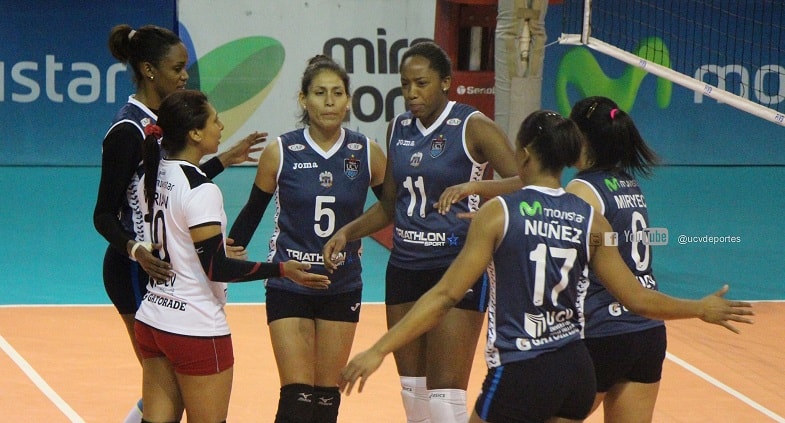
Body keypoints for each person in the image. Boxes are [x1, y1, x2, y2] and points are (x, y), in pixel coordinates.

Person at [338, 110, 754, 423]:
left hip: (521, 369)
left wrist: (379, 349)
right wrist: (699, 308)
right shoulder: (592, 220)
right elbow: (637, 298)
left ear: (523, 155)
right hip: (575, 370)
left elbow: (446, 295)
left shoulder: (498, 214)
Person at [323, 41, 518, 423]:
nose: (411, 93)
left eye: (421, 83)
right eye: (405, 84)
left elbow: (526, 182)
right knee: (414, 395)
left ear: (446, 82)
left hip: (456, 265)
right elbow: (389, 205)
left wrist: (476, 188)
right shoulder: (398, 128)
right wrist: (348, 232)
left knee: (444, 397)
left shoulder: (473, 125)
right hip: (405, 268)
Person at [93, 24, 265, 422]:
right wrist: (137, 250)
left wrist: (224, 160)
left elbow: (172, 185)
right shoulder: (127, 131)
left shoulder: (164, 119)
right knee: (169, 391)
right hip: (135, 270)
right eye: (177, 68)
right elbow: (103, 214)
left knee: (168, 394)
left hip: (163, 266)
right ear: (149, 70)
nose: (185, 75)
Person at [135, 89, 329, 423]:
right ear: (195, 133)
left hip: (154, 319)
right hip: (195, 327)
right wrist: (283, 270)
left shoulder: (153, 175)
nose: (221, 127)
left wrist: (225, 160)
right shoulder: (202, 191)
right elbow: (216, 267)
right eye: (215, 120)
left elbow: (182, 223)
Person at [227, 55, 385, 423]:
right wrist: (221, 256)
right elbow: (251, 212)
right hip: (289, 283)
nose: (329, 102)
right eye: (319, 93)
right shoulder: (281, 152)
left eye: (337, 93)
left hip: (342, 284)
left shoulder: (366, 152)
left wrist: (350, 233)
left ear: (348, 100)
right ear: (303, 99)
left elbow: (392, 208)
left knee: (326, 401)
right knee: (297, 400)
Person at [566, 96, 665, 422]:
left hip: (600, 331)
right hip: (647, 333)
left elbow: (563, 263)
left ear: (582, 138)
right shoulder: (629, 184)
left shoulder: (583, 189)